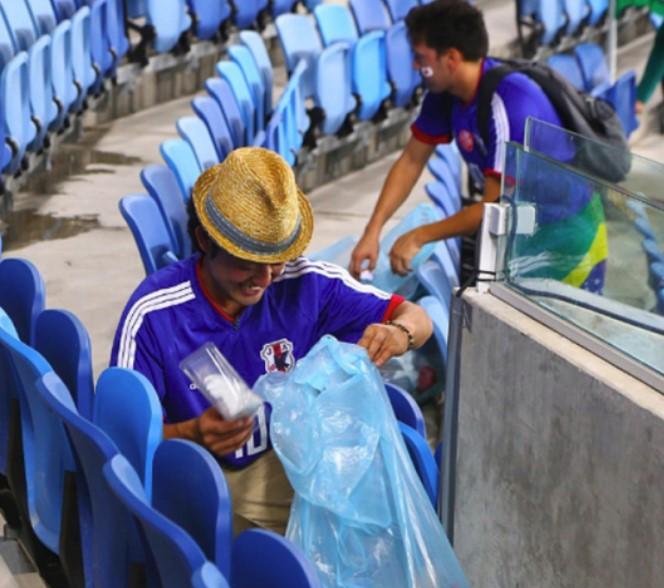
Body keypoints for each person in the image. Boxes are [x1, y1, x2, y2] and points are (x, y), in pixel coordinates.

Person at [110, 148, 431, 534]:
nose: (263, 278)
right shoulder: (156, 313)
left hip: (280, 463)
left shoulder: (306, 285)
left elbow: (416, 317)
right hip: (199, 481)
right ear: (204, 241)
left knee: (384, 512)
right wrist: (190, 433)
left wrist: (399, 333)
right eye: (246, 261)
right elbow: (119, 436)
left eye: (276, 259)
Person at [350, 0, 607, 292]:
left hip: (569, 240)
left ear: (451, 58)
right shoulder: (446, 92)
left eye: (421, 58)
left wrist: (420, 236)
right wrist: (372, 232)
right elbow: (411, 160)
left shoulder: (508, 104)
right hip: (523, 234)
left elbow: (492, 206)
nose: (415, 66)